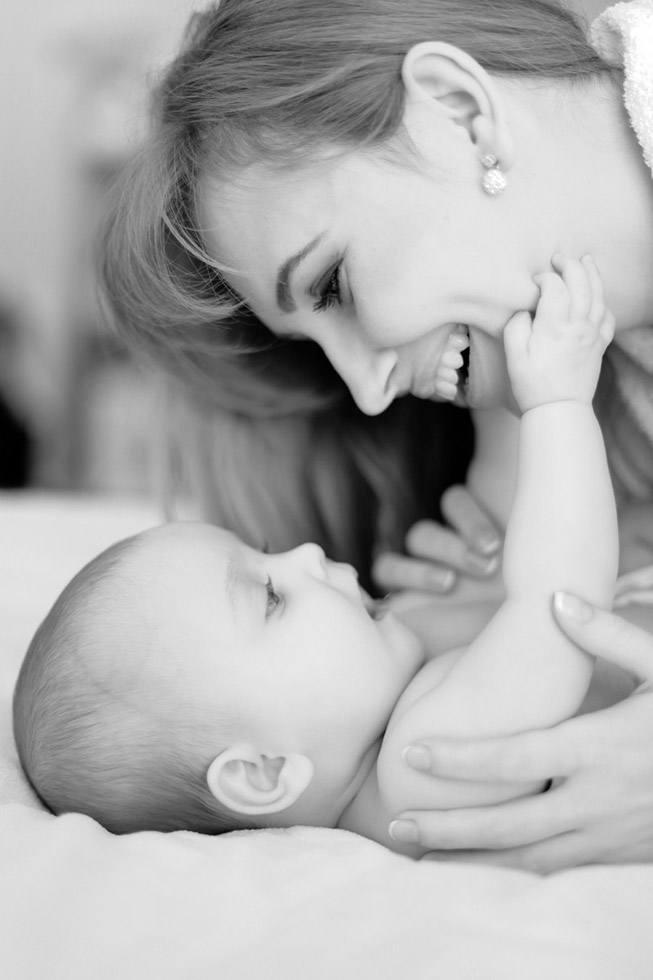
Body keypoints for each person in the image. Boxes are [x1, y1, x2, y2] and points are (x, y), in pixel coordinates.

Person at [98, 0, 653, 868]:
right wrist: (455, 616)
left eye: (334, 287)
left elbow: (559, 612)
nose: (366, 392)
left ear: (460, 114)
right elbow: (564, 597)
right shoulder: (541, 356)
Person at [14, 261, 624, 851]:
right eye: (271, 597)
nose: (306, 553)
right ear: (262, 772)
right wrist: (558, 403)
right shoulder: (423, 767)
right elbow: (562, 608)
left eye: (268, 554)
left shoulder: (395, 681)